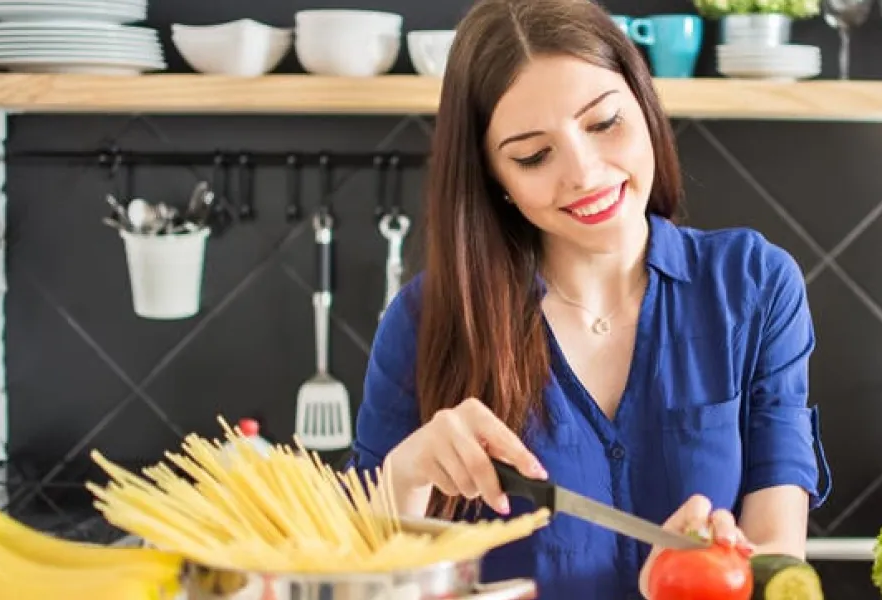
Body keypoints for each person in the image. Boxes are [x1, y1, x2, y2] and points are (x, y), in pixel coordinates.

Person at [349, 0, 831, 597]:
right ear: (493, 177)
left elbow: (777, 568)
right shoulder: (425, 322)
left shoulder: (753, 286)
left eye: (604, 124)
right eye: (533, 155)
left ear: (644, 102)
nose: (584, 173)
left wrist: (703, 581)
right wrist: (406, 472)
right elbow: (355, 573)